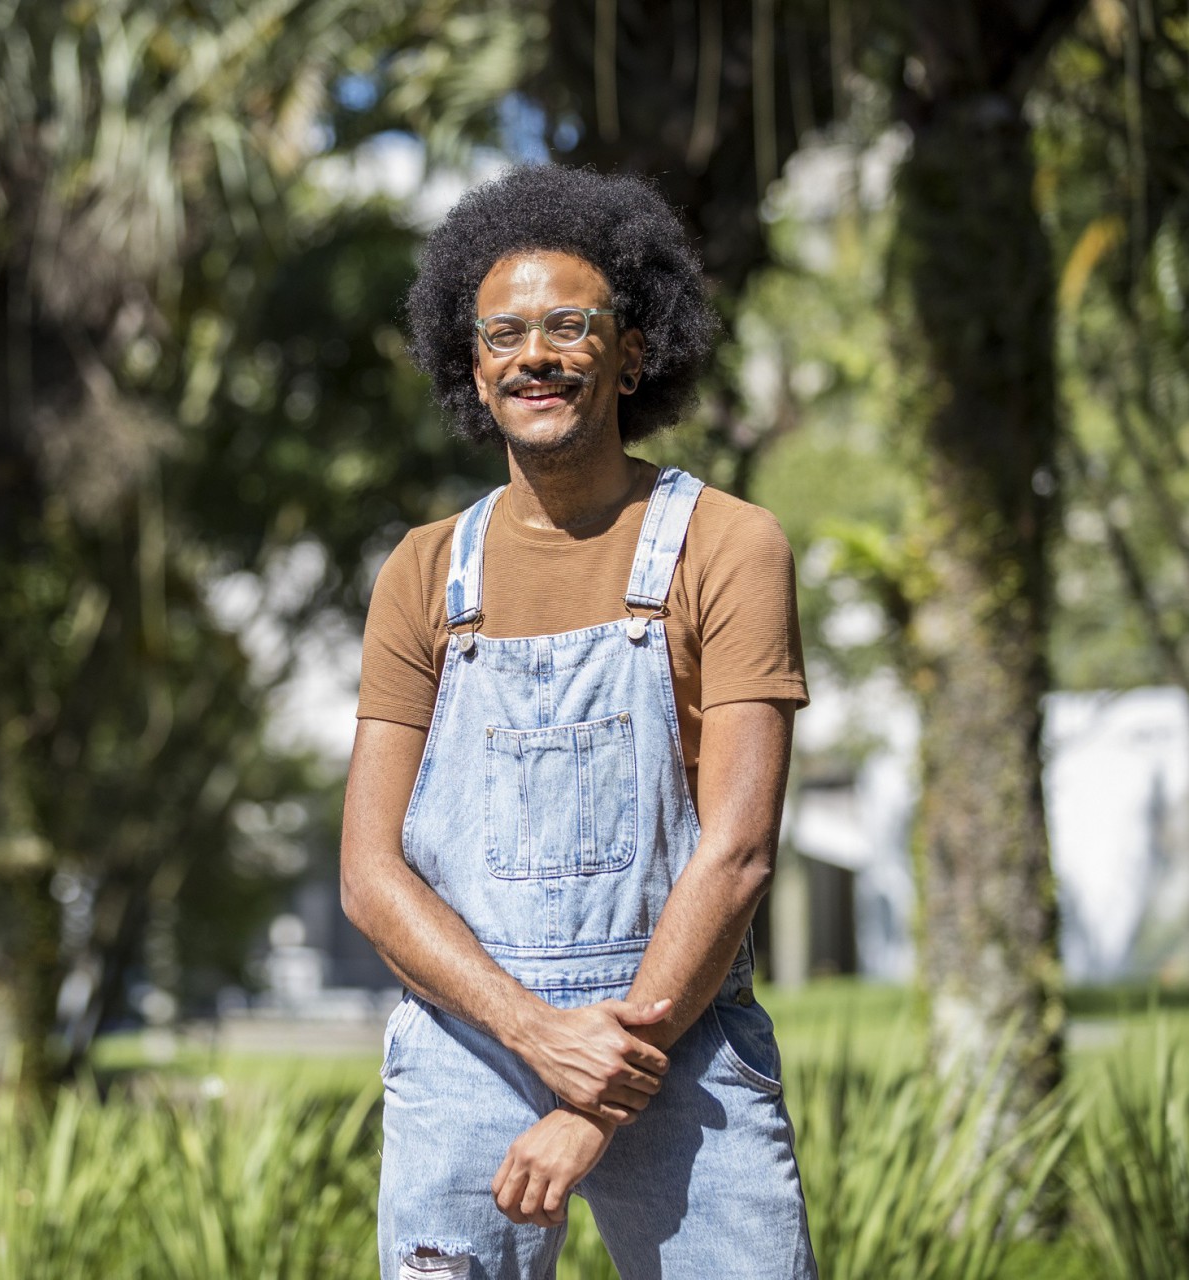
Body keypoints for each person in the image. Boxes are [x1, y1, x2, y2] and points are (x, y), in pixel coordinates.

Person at [341, 165, 818, 1280]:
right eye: (503, 333)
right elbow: (370, 873)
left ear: (634, 349)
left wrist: (600, 1090)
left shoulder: (730, 546)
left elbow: (738, 853)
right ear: (472, 365)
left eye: (569, 324)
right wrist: (532, 1028)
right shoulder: (422, 575)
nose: (534, 355)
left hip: (678, 1033)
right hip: (468, 1040)